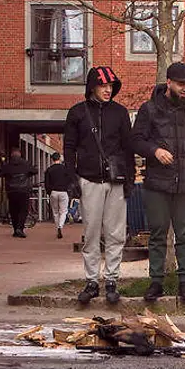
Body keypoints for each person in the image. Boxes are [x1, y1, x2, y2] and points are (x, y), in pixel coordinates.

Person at [132, 62, 185, 303]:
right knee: (157, 233)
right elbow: (135, 140)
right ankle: (155, 281)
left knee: (184, 234)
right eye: (180, 84)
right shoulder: (149, 109)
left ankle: (184, 281)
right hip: (157, 182)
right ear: (169, 82)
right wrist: (154, 151)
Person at [64, 66, 133, 306]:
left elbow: (128, 149)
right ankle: (92, 281)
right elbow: (69, 148)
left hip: (116, 181)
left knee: (116, 234)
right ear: (92, 87)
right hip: (89, 179)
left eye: (111, 86)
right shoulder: (77, 113)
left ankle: (112, 280)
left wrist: (130, 181)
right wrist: (72, 178)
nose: (108, 90)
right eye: (104, 86)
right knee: (91, 233)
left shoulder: (120, 113)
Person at [0, 149, 40, 238]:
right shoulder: (25, 164)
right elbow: (35, 171)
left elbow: (0, 174)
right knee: (23, 210)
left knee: (13, 211)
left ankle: (15, 229)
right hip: (23, 191)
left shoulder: (8, 165)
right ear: (20, 155)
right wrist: (28, 174)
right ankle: (20, 228)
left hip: (11, 191)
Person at [43, 153, 77, 240]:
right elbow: (70, 179)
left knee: (55, 212)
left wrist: (49, 192)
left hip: (53, 192)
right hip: (63, 191)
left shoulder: (49, 170)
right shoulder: (64, 169)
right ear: (60, 158)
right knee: (64, 211)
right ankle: (60, 226)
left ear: (52, 159)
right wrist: (66, 186)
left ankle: (57, 226)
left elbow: (46, 183)